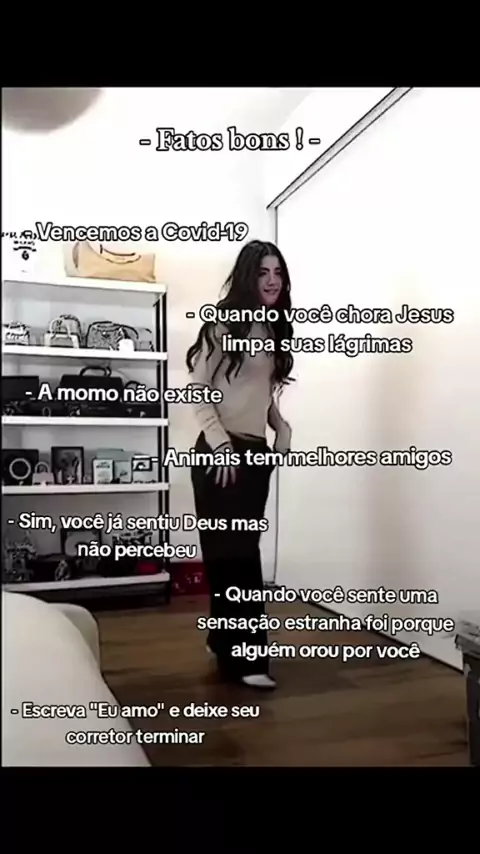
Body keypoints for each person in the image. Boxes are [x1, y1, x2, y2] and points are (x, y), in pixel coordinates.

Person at [186, 239, 294, 690]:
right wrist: (220, 444)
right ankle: (246, 659)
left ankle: (222, 639)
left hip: (254, 456)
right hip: (220, 455)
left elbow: (258, 394)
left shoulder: (273, 329)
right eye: (263, 272)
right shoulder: (221, 326)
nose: (272, 281)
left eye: (278, 273)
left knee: (236, 553)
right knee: (236, 558)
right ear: (248, 277)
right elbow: (197, 389)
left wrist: (281, 428)